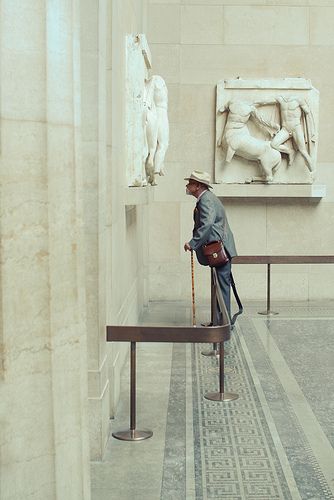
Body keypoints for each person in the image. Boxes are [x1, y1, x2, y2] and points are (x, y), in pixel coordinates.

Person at [183, 170, 237, 321]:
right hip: (217, 250)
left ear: (198, 186)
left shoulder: (206, 199)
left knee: (222, 289)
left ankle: (224, 325)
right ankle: (219, 322)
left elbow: (206, 224)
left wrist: (193, 243)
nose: (187, 186)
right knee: (220, 287)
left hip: (219, 251)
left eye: (190, 183)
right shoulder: (206, 198)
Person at [271, 95, 315, 177]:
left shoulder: (299, 99)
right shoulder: (281, 99)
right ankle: (290, 151)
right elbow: (266, 101)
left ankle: (312, 172)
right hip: (285, 129)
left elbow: (307, 111)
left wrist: (304, 105)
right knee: (273, 144)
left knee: (303, 151)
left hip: (296, 128)